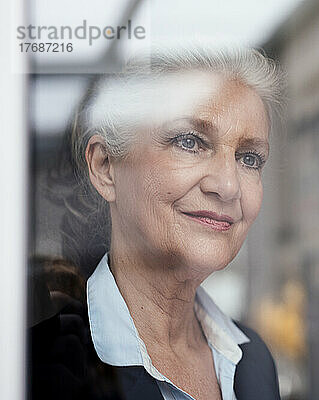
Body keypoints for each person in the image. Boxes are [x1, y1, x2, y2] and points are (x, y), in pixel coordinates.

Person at [30, 46, 284, 400]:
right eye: (189, 141)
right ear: (105, 167)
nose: (228, 186)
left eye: (249, 158)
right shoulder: (33, 369)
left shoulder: (253, 360)